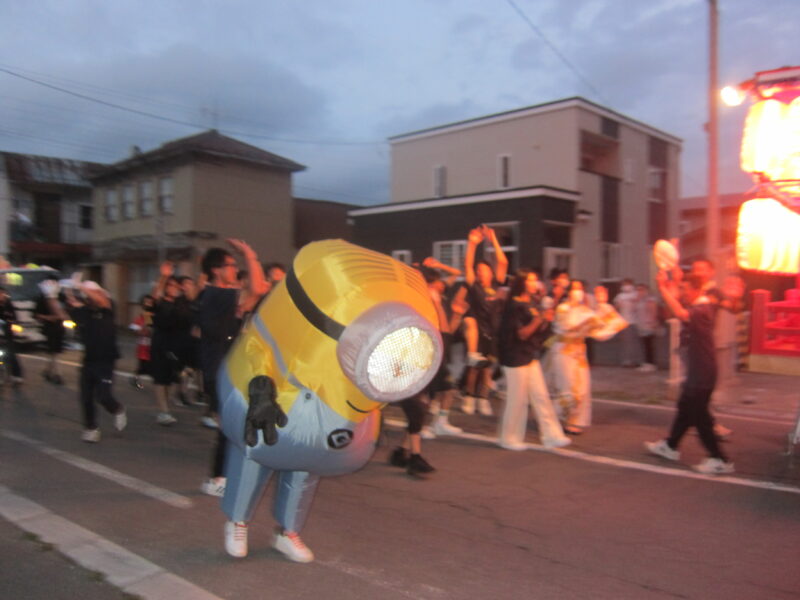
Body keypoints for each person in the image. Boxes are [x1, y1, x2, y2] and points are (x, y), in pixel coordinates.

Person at [645, 271, 737, 474]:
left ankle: (720, 459)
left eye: (685, 289)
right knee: (685, 407)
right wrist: (674, 281)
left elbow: (681, 313)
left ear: (697, 289)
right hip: (698, 370)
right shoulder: (703, 305)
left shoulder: (702, 309)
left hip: (702, 371)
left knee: (700, 416)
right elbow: (678, 306)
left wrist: (662, 288)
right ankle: (670, 446)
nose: (683, 293)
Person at [198, 240, 267, 499]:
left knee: (234, 426)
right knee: (229, 427)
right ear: (216, 270)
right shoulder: (217, 294)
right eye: (230, 265)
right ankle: (218, 479)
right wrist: (249, 253)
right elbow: (258, 289)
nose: (235, 269)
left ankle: (221, 476)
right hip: (219, 372)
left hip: (226, 370)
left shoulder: (221, 296)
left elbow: (253, 297)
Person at [497, 269, 570, 450]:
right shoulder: (514, 306)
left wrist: (549, 312)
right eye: (530, 280)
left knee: (541, 396)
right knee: (518, 400)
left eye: (535, 280)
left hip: (529, 355)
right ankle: (509, 438)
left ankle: (552, 435)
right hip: (515, 356)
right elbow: (522, 334)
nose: (534, 283)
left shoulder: (530, 303)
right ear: (521, 283)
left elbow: (538, 329)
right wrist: (540, 319)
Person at [64, 281, 127, 443]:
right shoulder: (83, 311)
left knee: (103, 396)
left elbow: (101, 300)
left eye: (96, 292)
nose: (93, 296)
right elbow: (62, 311)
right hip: (89, 360)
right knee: (85, 397)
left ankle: (117, 409)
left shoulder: (108, 308)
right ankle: (91, 428)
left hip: (106, 360)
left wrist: (80, 285)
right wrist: (53, 295)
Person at [461, 225, 508, 416]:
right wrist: (472, 244)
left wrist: (493, 239)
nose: (480, 272)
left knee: (488, 368)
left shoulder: (497, 284)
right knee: (474, 367)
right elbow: (467, 266)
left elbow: (503, 261)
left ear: (490, 271)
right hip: (477, 331)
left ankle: (483, 398)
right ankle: (469, 396)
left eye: (484, 269)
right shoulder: (474, 286)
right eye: (478, 270)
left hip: (493, 331)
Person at [149, 265, 193, 425]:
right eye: (170, 285)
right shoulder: (160, 303)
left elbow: (194, 296)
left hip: (177, 346)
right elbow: (155, 296)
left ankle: (166, 408)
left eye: (176, 285)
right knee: (161, 378)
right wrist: (163, 277)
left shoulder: (181, 303)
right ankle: (163, 411)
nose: (174, 288)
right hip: (161, 344)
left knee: (170, 379)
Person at [34, 275, 67, 384]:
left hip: (60, 327)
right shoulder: (42, 298)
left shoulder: (61, 297)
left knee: (55, 351)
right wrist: (48, 318)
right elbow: (36, 314)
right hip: (49, 328)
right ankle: (58, 374)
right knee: (53, 350)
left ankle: (47, 371)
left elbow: (65, 311)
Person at [129, 294, 155, 389]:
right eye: (146, 302)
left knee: (149, 365)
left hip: (153, 346)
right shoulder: (142, 318)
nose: (149, 304)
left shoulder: (153, 316)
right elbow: (141, 331)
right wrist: (145, 327)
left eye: (150, 302)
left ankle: (135, 378)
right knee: (143, 365)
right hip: (143, 346)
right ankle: (135, 378)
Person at [0, 286, 24, 384]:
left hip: (7, 334)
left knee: (11, 354)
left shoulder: (8, 305)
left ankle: (16, 375)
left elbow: (14, 318)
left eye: (2, 293)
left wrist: (12, 323)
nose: (1, 295)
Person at [633, 284, 660, 372]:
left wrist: (653, 322)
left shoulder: (650, 300)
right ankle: (646, 363)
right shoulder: (638, 300)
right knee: (644, 344)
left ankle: (651, 364)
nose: (639, 292)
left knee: (649, 345)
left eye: (641, 290)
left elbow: (653, 311)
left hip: (648, 324)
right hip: (641, 325)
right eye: (638, 290)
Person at [613, 279, 639, 367]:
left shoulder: (635, 294)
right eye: (625, 284)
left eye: (628, 284)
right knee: (625, 343)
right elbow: (616, 308)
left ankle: (635, 360)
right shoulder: (620, 296)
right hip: (624, 322)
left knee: (634, 343)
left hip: (635, 321)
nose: (626, 286)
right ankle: (626, 360)